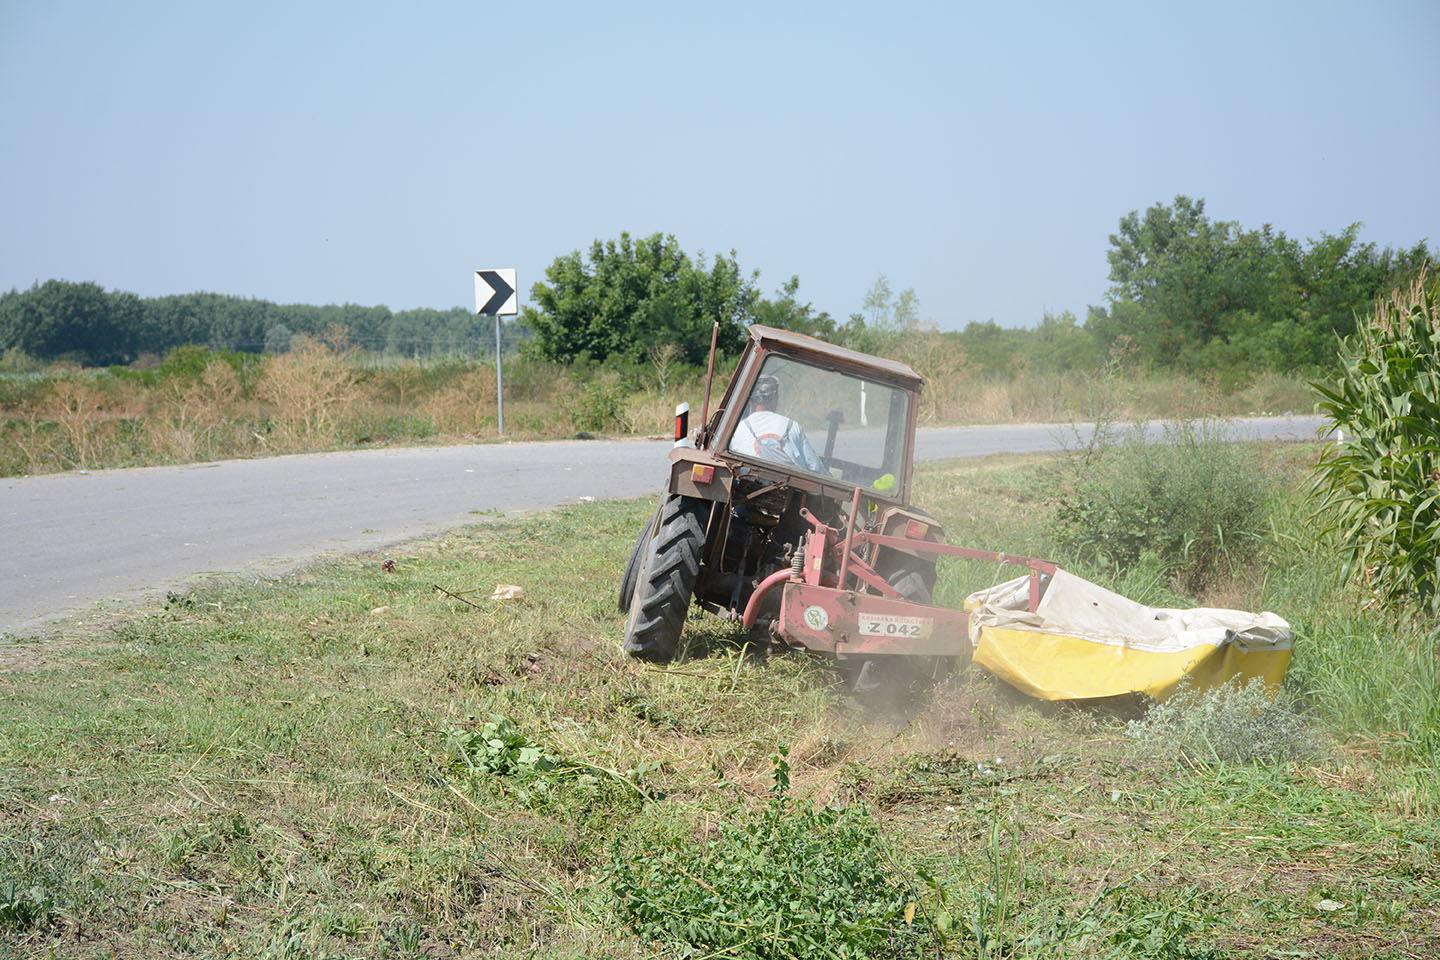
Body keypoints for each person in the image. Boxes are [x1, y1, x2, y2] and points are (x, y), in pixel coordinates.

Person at [729, 374, 825, 472]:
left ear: (750, 400)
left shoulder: (737, 429)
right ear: (775, 398)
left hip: (747, 484)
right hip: (790, 486)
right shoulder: (791, 426)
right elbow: (815, 467)